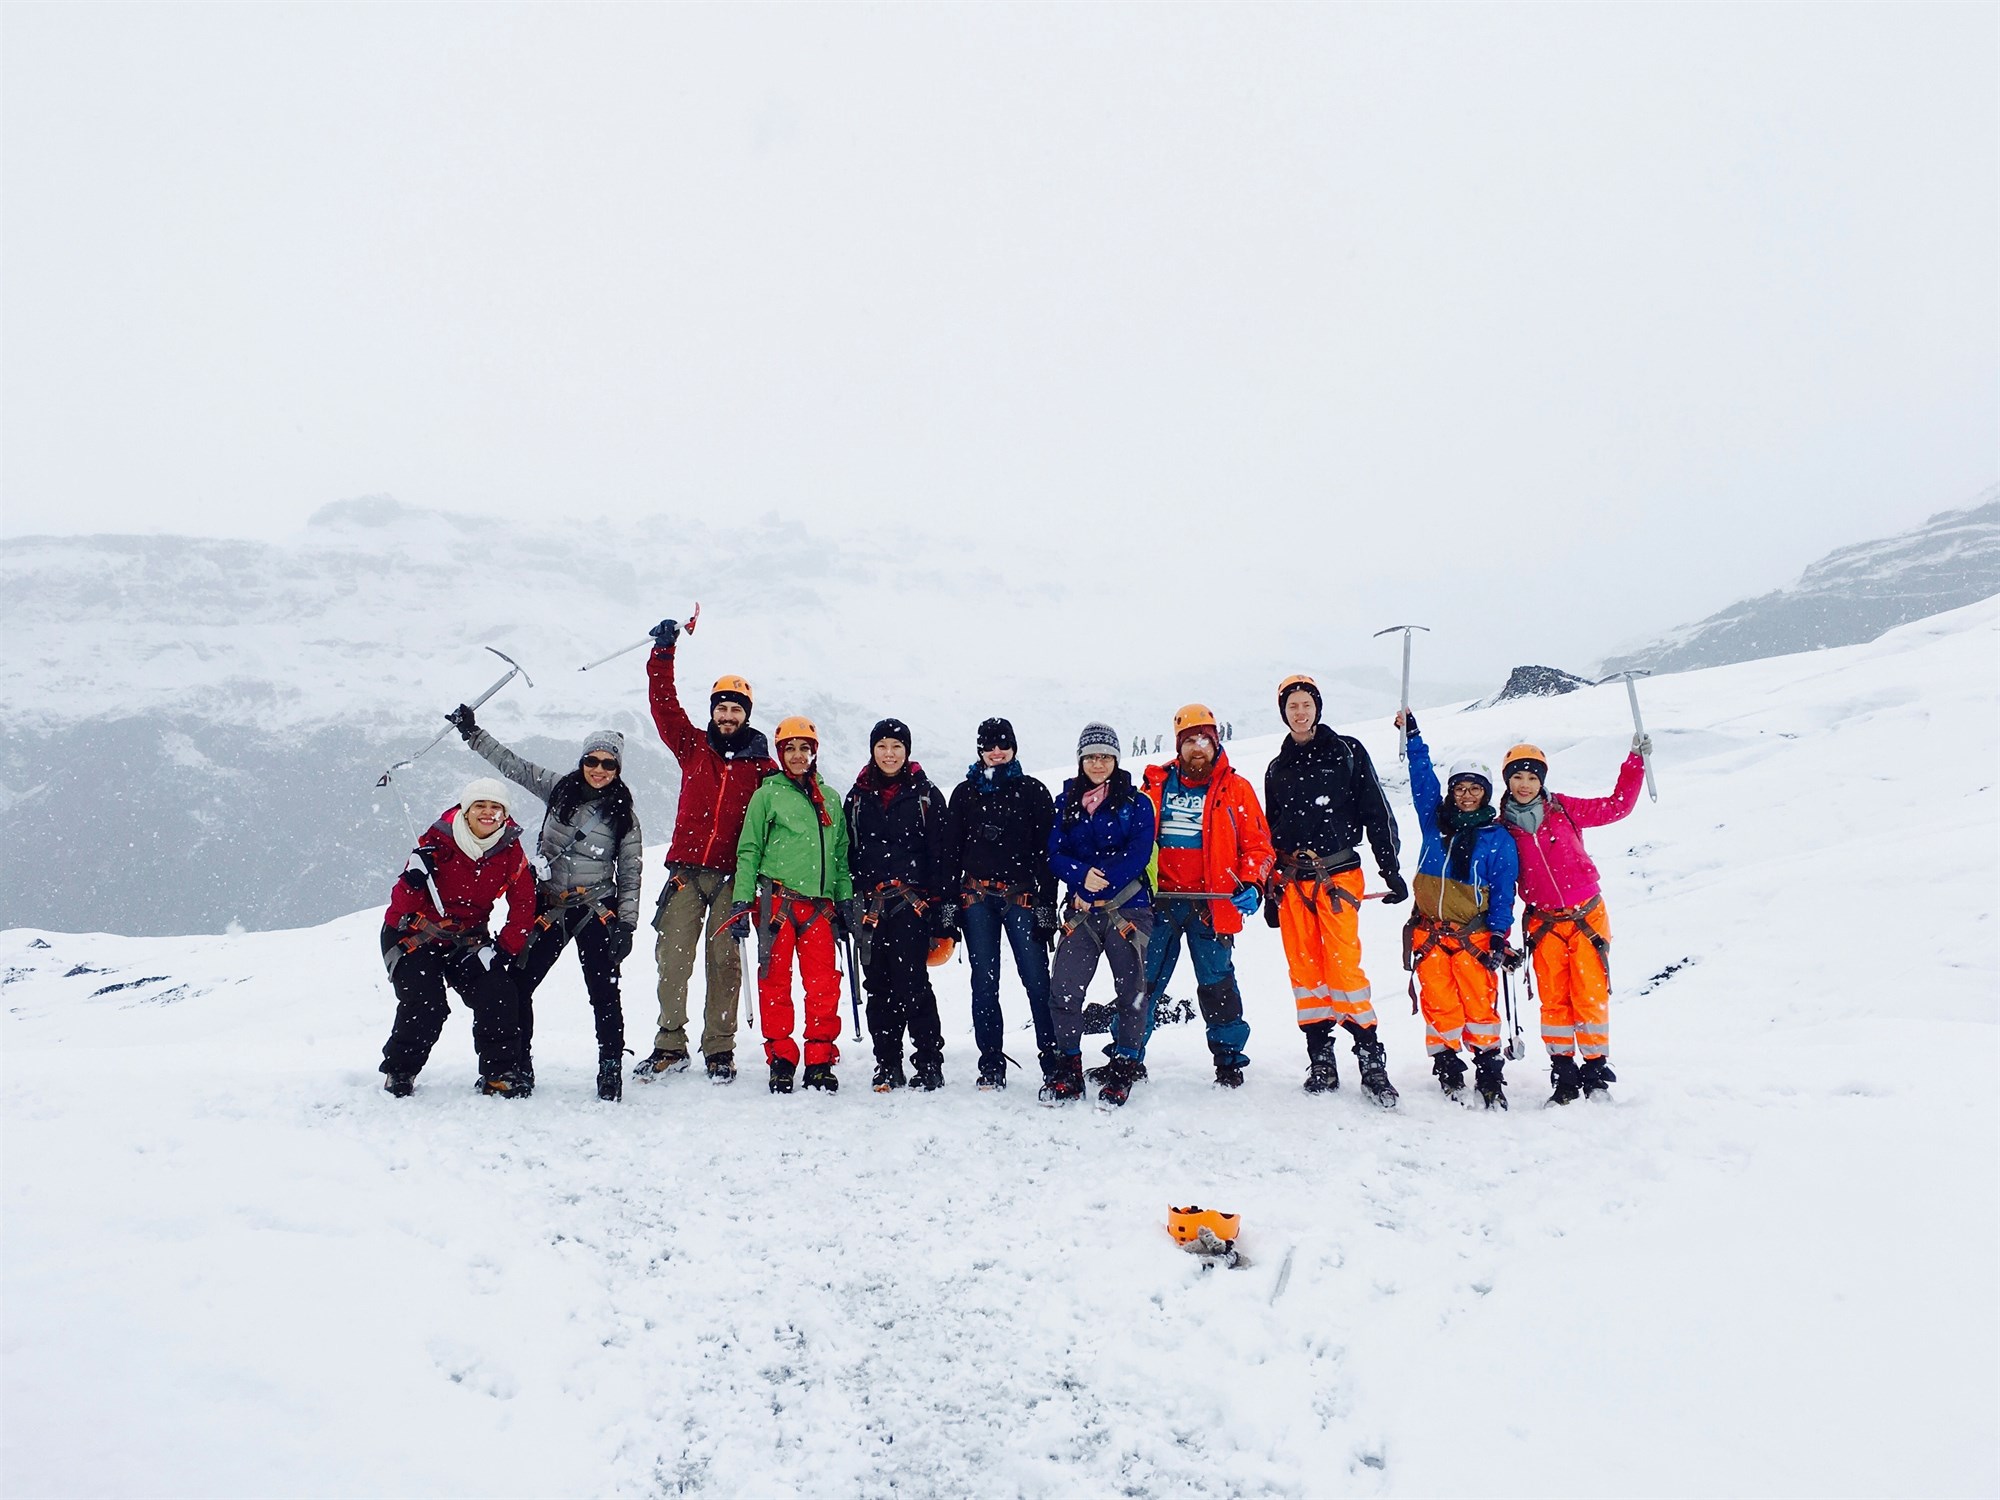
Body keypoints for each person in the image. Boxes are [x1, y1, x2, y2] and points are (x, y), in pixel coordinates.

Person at [448, 707, 642, 1101]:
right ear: (582, 761)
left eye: (608, 764)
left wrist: (626, 924)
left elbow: (631, 871)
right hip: (550, 905)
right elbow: (513, 766)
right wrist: (473, 733)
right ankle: (519, 1064)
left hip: (595, 910)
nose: (599, 769)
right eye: (593, 760)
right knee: (519, 985)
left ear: (618, 769)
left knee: (604, 992)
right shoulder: (559, 789)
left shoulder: (625, 816)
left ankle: (609, 1068)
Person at [639, 615, 777, 1084]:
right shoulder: (692, 745)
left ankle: (719, 1048)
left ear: (747, 714)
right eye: (721, 707)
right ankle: (669, 1044)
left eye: (736, 708)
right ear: (714, 711)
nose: (727, 715)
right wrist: (663, 654)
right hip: (685, 872)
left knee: (724, 963)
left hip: (733, 878)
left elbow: (782, 822)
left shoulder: (764, 767)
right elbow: (664, 706)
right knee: (673, 958)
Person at [1263, 675, 1408, 1104]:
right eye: (1292, 707)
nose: (1300, 712)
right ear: (1284, 713)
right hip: (1291, 880)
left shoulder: (1347, 752)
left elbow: (1376, 812)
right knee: (1306, 973)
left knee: (1344, 968)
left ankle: (1369, 1057)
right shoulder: (1277, 767)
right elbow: (1270, 831)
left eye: (1306, 704)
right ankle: (1320, 1056)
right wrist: (1270, 885)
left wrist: (1390, 867)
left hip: (1337, 875)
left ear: (1318, 707)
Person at [1498, 735, 1648, 1104]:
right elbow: (1498, 886)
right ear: (1507, 781)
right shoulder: (1501, 828)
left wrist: (1635, 761)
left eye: (1532, 777)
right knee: (1554, 1000)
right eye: (1517, 777)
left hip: (1586, 917)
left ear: (1542, 781)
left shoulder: (1563, 809)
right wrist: (1499, 935)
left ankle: (1595, 1072)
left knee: (1590, 995)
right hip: (1543, 923)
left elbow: (1617, 807)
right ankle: (1564, 1075)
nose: (1525, 784)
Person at [1137, 704, 1277, 1089]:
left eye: (1205, 740)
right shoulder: (1154, 786)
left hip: (1211, 903)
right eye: (1190, 741)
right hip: (1158, 903)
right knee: (1141, 981)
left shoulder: (1237, 789)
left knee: (1217, 984)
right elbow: (1131, 841)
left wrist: (1252, 883)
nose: (1198, 748)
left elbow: (1259, 848)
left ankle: (1229, 1059)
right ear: (1179, 745)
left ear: (1216, 743)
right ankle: (1128, 1054)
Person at [378, 777, 536, 1097]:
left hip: (465, 941)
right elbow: (399, 909)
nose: (488, 813)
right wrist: (413, 877)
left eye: (496, 807)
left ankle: (499, 1073)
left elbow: (524, 902)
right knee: (427, 1004)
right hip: (413, 936)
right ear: (466, 810)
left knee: (499, 992)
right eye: (480, 805)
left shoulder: (508, 848)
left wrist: (506, 949)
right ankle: (400, 1071)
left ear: (505, 814)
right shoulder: (436, 842)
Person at [1395, 711, 1520, 1108]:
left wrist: (1500, 935)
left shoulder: (1497, 838)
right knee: (1439, 1004)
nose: (1466, 795)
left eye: (1475, 789)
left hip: (1474, 937)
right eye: (1460, 788)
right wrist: (1413, 737)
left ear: (1485, 793)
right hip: (1430, 933)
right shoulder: (1435, 822)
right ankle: (1448, 1068)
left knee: (1480, 1007)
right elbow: (1422, 779)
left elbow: (1503, 893)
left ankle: (1489, 1074)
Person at [730, 716, 854, 1094]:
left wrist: (845, 900)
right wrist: (740, 900)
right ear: (780, 754)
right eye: (790, 749)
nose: (798, 755)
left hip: (819, 908)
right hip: (777, 904)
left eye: (805, 748)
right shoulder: (767, 794)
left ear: (815, 751)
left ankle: (819, 1059)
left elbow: (841, 855)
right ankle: (782, 1058)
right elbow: (749, 849)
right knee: (775, 983)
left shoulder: (830, 797)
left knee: (822, 986)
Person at [1044, 724, 1157, 1105]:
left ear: (1116, 760)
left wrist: (1097, 884)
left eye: (1105, 756)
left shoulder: (1137, 803)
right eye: (1091, 756)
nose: (1098, 763)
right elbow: (1054, 854)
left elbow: (1139, 853)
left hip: (1128, 910)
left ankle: (1124, 1065)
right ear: (1081, 759)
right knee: (1064, 989)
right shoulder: (1066, 803)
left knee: (1131, 993)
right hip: (1082, 912)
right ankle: (1069, 1066)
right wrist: (1079, 877)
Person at [843, 718, 954, 1092]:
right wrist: (848, 906)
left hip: (913, 906)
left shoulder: (926, 796)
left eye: (896, 747)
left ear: (907, 752)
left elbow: (942, 855)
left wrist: (943, 912)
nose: (889, 754)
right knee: (878, 986)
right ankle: (887, 1063)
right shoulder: (857, 798)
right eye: (882, 747)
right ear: (873, 751)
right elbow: (848, 856)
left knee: (913, 985)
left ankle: (928, 1061)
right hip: (870, 907)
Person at [947, 717, 1058, 1089]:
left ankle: (1053, 1058)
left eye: (1003, 744)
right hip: (975, 899)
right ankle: (991, 1063)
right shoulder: (964, 794)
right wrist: (948, 911)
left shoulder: (1032, 792)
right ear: (979, 749)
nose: (997, 752)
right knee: (984, 983)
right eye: (989, 745)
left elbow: (1048, 857)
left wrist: (1046, 908)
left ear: (1013, 747)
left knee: (1038, 981)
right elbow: (950, 855)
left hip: (1022, 900)